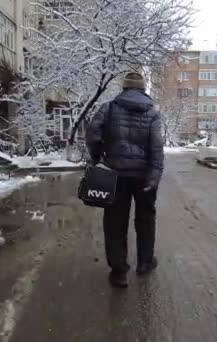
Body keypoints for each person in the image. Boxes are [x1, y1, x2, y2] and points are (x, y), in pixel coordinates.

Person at [86, 72, 164, 288]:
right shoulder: (152, 113)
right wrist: (155, 176)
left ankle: (119, 271)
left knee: (115, 223)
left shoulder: (109, 108)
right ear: (142, 89)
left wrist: (97, 156)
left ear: (124, 88)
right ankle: (145, 263)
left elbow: (92, 133)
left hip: (116, 176)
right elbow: (157, 148)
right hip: (144, 177)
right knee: (146, 220)